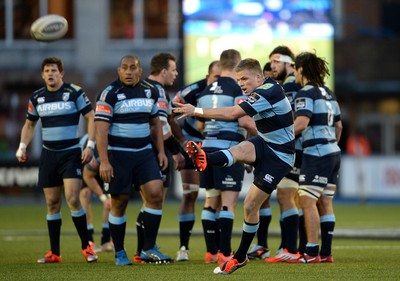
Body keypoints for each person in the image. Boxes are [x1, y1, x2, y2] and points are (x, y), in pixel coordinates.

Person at [173, 57, 295, 274]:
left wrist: (196, 111)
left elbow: (233, 114)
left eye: (245, 79)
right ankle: (204, 159)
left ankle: (239, 257)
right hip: (266, 142)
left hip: (281, 156)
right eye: (239, 80)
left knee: (249, 206)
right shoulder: (265, 90)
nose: (242, 84)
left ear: (259, 77)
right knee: (239, 150)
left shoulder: (268, 91)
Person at [16, 57, 98, 264]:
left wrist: (90, 146)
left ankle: (86, 247)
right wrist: (22, 146)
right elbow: (29, 125)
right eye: (47, 71)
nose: (50, 74)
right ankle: (55, 253)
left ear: (61, 74)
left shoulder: (74, 92)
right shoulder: (37, 97)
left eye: (54, 70)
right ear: (42, 75)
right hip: (49, 155)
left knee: (72, 199)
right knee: (52, 203)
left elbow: (92, 117)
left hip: (71, 153)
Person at [94, 55, 170, 266]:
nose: (128, 71)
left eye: (132, 68)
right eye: (124, 68)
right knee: (120, 202)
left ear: (140, 70)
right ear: (119, 71)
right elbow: (101, 130)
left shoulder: (150, 91)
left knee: (155, 194)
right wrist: (104, 161)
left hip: (145, 153)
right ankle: (120, 253)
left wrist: (161, 152)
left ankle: (148, 248)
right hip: (118, 155)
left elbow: (156, 124)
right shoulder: (109, 93)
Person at [195, 49, 257, 264]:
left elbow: (200, 124)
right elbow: (244, 120)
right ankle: (225, 251)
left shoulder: (205, 91)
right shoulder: (236, 88)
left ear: (220, 65)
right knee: (228, 204)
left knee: (210, 200)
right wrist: (259, 138)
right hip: (229, 150)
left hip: (207, 149)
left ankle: (210, 252)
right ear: (237, 64)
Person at [131, 52, 183, 263]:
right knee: (155, 200)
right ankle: (148, 249)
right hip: (152, 153)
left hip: (138, 151)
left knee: (148, 201)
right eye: (173, 69)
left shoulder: (143, 87)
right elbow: (161, 127)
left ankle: (141, 250)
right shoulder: (157, 91)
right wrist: (177, 151)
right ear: (163, 71)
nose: (176, 73)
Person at [291, 51, 342, 263]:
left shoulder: (306, 93)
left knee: (307, 200)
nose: (293, 72)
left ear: (301, 69)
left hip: (317, 153)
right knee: (325, 202)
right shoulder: (328, 92)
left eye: (295, 68)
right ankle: (326, 253)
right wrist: (331, 145)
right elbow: (339, 126)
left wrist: (279, 137)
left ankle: (311, 252)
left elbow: (301, 124)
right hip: (333, 152)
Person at [172, 60, 222, 261]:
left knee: (216, 197)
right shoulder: (193, 91)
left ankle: (216, 248)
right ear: (208, 76)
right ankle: (183, 247)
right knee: (190, 195)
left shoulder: (229, 91)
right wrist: (183, 141)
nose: (219, 82)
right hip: (193, 146)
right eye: (216, 78)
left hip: (216, 147)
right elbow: (171, 112)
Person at [262, 46, 303, 263]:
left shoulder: (289, 84)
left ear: (289, 63)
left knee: (286, 195)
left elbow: (293, 117)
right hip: (304, 149)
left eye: (276, 61)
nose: (272, 66)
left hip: (295, 149)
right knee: (297, 197)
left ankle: (291, 249)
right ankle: (296, 247)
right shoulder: (297, 82)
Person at [79, 134, 114, 253]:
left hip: (104, 168)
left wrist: (108, 198)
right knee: (85, 194)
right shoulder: (96, 149)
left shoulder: (116, 146)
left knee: (112, 199)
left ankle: (106, 240)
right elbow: (87, 176)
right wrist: (103, 198)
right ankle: (89, 240)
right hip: (85, 168)